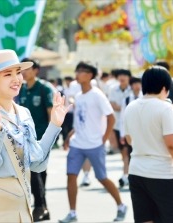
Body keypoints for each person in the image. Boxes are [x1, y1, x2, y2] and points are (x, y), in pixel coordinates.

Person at [0, 50, 70, 222]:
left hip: (22, 202)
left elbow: (37, 163)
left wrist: (54, 125)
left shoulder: (23, 113)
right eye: (8, 74)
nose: (16, 79)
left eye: (18, 73)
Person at [123, 66, 173, 223]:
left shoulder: (131, 107)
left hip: (136, 171)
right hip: (162, 173)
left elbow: (129, 139)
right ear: (165, 88)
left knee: (145, 219)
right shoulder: (165, 108)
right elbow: (171, 144)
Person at [60, 62, 126, 223]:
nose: (78, 73)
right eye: (78, 70)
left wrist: (103, 139)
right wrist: (70, 136)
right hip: (78, 143)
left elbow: (111, 118)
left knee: (102, 177)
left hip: (95, 144)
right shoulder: (79, 96)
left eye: (82, 71)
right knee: (71, 176)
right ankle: (73, 213)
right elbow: (80, 121)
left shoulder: (97, 95)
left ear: (90, 75)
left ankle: (121, 205)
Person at [17, 58, 54, 221]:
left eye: (27, 69)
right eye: (21, 69)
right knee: (36, 172)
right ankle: (41, 206)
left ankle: (40, 206)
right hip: (26, 138)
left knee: (37, 172)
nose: (23, 72)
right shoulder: (22, 88)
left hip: (41, 136)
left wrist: (52, 136)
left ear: (36, 70)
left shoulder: (44, 88)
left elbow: (51, 113)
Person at [117, 77, 142, 188]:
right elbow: (122, 118)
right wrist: (122, 134)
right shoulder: (126, 100)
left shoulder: (145, 98)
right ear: (131, 86)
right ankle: (130, 177)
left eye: (138, 83)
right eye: (134, 84)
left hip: (142, 133)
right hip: (130, 133)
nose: (137, 86)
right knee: (130, 155)